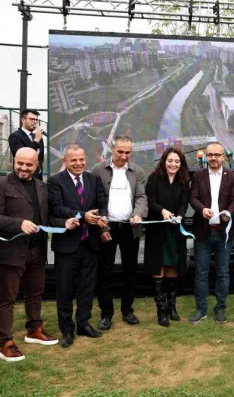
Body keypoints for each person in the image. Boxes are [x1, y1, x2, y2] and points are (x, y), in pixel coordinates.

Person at [0, 148, 79, 362]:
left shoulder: (42, 187)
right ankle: (5, 342)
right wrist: (18, 224)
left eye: (29, 164)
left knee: (35, 294)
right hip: (10, 253)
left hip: (37, 252)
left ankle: (34, 330)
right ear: (13, 162)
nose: (24, 168)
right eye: (20, 163)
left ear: (37, 166)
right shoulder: (0, 185)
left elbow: (46, 219)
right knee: (6, 299)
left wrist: (64, 223)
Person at [48, 144, 108, 348]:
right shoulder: (55, 181)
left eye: (81, 159)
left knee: (87, 287)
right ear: (64, 161)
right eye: (73, 160)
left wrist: (100, 218)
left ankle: (83, 323)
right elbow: (56, 208)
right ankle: (66, 329)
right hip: (67, 245)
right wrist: (83, 217)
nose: (78, 163)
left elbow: (101, 203)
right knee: (64, 289)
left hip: (90, 244)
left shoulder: (93, 179)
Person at [91, 135, 147, 331]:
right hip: (107, 228)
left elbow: (141, 197)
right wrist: (103, 227)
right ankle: (106, 314)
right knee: (105, 272)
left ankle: (128, 310)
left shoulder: (138, 171)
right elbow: (95, 201)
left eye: (128, 152)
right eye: (120, 152)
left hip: (130, 228)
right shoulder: (98, 170)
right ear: (112, 150)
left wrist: (138, 214)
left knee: (130, 271)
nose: (124, 156)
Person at [189, 143, 234, 324]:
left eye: (217, 155)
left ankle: (220, 309)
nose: (213, 158)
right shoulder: (198, 175)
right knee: (201, 273)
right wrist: (202, 209)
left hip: (223, 234)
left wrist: (229, 213)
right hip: (203, 232)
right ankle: (201, 310)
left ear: (223, 157)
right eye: (210, 155)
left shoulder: (232, 176)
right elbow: (192, 197)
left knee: (223, 273)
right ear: (205, 157)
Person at [144, 147, 191, 327]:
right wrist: (163, 211)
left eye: (177, 161)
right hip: (157, 231)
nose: (173, 164)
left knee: (173, 265)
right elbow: (150, 201)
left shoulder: (184, 181)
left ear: (181, 164)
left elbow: (183, 204)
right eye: (170, 161)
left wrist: (179, 216)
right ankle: (161, 310)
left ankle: (172, 307)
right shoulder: (154, 179)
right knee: (159, 266)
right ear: (164, 161)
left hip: (175, 230)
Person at [9, 109, 45, 180]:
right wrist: (36, 140)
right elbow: (23, 155)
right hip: (23, 177)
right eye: (31, 119)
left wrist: (40, 169)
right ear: (23, 120)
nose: (35, 122)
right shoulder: (15, 136)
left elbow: (40, 158)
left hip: (38, 176)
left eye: (36, 120)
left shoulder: (38, 137)